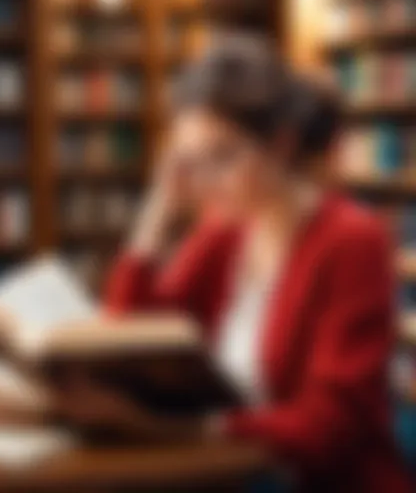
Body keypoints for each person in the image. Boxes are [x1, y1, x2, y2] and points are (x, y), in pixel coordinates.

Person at [57, 34, 412, 492]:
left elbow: (329, 427)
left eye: (222, 156)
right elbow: (131, 340)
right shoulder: (225, 231)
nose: (203, 181)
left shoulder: (352, 240)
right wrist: (156, 212)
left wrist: (174, 429)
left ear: (282, 145)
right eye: (189, 162)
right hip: (236, 472)